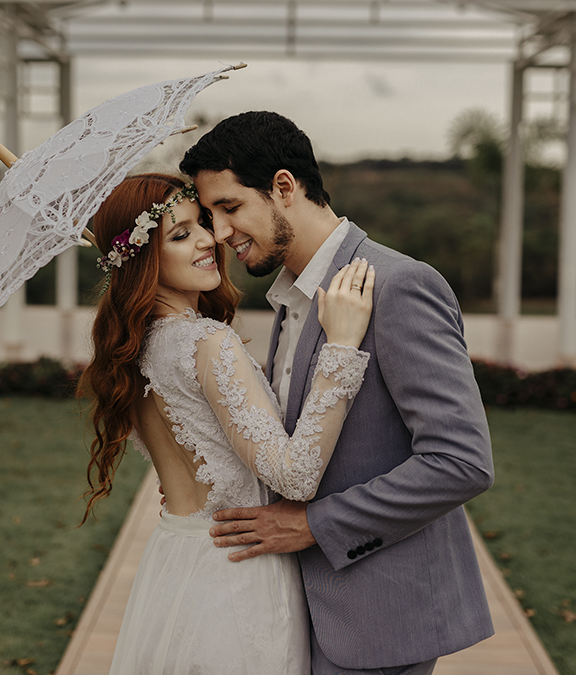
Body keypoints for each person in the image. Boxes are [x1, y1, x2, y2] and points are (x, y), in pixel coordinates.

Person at [180, 112, 496, 675]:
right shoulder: (290, 297)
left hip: (377, 617)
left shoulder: (398, 286)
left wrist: (311, 526)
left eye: (229, 208)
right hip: (298, 612)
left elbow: (461, 463)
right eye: (209, 216)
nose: (220, 233)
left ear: (284, 187)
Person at [76, 172, 376, 674]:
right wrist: (342, 348)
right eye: (179, 234)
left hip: (174, 562)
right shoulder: (207, 344)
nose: (208, 241)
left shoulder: (133, 350)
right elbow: (296, 476)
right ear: (142, 259)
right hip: (237, 575)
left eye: (203, 224)